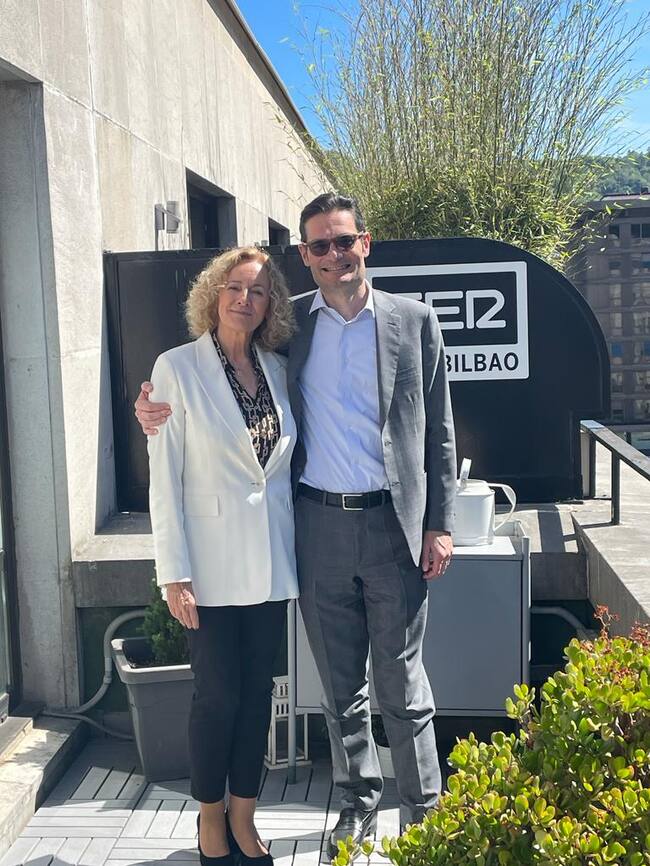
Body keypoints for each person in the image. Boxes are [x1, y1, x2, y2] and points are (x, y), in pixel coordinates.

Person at [136, 193, 456, 855]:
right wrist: (149, 412)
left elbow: (440, 434)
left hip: (395, 528)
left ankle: (427, 818)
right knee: (342, 690)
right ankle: (357, 807)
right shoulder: (293, 331)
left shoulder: (413, 322)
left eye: (344, 241)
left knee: (403, 685)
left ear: (365, 244)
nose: (334, 255)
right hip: (317, 531)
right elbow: (204, 395)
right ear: (306, 258)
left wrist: (439, 523)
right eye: (319, 246)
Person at [146, 246, 298, 866]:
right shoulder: (177, 369)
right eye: (235, 288)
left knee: (258, 692)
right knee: (216, 697)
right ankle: (209, 817)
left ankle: (244, 815)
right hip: (205, 569)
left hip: (268, 564)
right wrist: (173, 573)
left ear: (270, 307)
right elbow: (165, 478)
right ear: (214, 294)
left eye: (258, 292)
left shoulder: (277, 370)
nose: (244, 300)